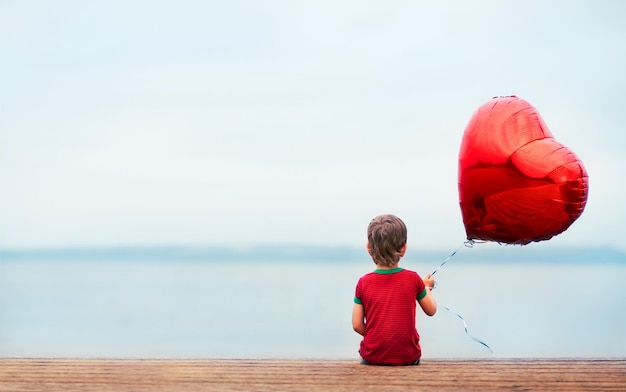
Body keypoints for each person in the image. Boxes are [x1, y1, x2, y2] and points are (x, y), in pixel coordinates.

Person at [352, 214, 437, 366]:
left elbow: (357, 325)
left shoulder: (363, 283)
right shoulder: (414, 279)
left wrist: (377, 337)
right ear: (404, 248)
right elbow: (431, 310)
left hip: (372, 356)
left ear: (368, 248)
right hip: (408, 357)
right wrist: (427, 287)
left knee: (365, 354)